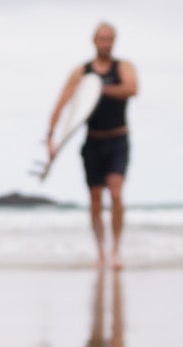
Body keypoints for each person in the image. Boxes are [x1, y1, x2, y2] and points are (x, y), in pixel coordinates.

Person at [44, 22, 139, 268]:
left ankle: (116, 250)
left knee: (116, 193)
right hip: (93, 140)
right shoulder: (81, 73)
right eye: (101, 39)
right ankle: (100, 251)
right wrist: (51, 137)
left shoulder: (123, 67)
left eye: (109, 39)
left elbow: (131, 89)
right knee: (95, 199)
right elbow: (62, 102)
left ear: (114, 42)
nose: (105, 43)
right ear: (94, 41)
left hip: (118, 139)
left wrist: (98, 89)